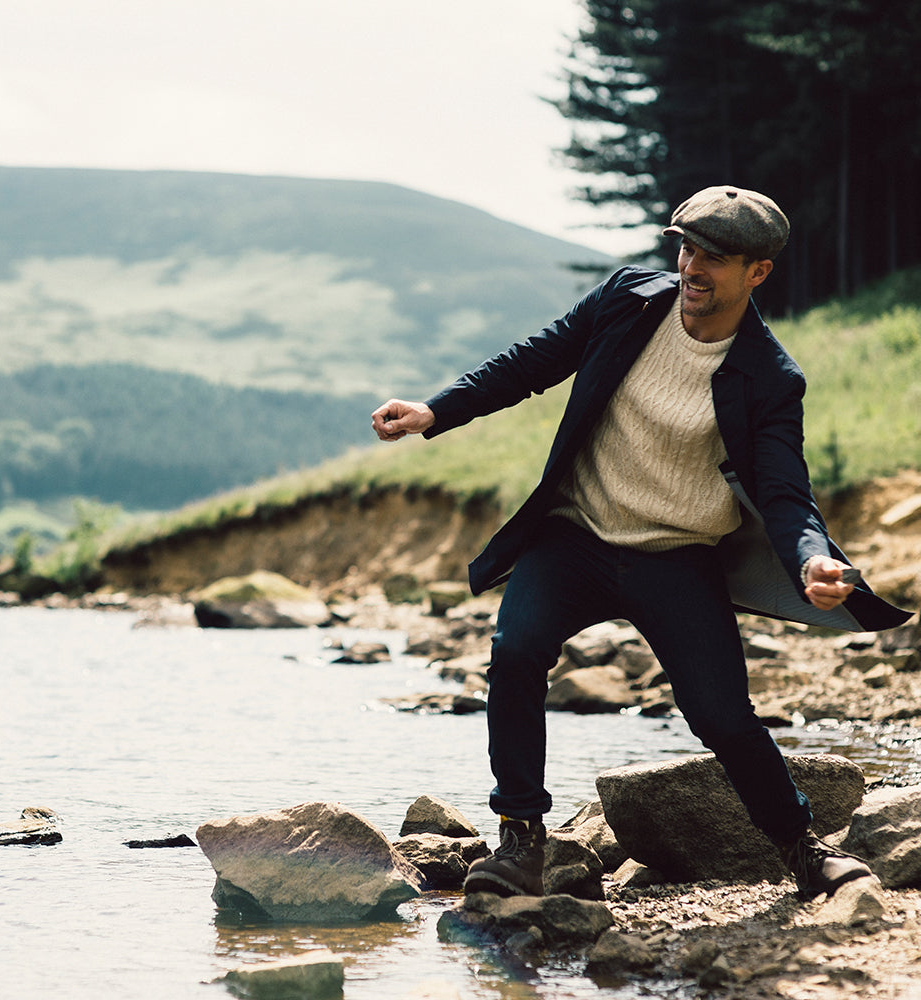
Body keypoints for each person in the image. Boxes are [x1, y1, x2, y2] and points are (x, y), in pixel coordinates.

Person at [371, 185, 912, 899]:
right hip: (574, 537)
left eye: (714, 257)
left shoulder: (770, 377)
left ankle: (803, 850)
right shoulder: (628, 299)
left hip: (678, 557)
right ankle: (522, 840)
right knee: (516, 652)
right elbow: (531, 363)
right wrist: (436, 410)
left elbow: (785, 493)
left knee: (722, 717)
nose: (692, 267)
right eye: (686, 248)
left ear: (757, 272)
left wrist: (813, 557)